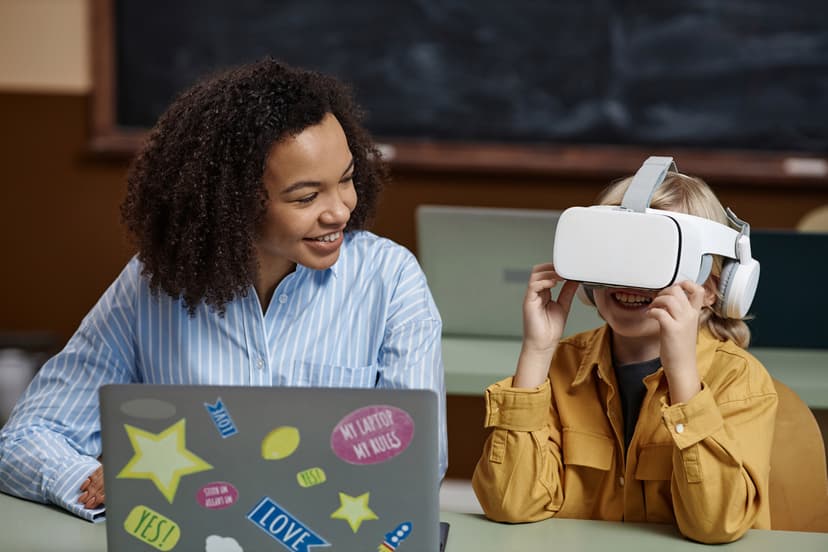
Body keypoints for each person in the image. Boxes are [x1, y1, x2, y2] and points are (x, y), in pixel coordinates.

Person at [0, 58, 447, 520]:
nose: (340, 211)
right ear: (232, 201)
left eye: (348, 178)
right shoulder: (151, 283)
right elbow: (25, 438)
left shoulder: (391, 280)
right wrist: (88, 481)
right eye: (306, 197)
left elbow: (418, 463)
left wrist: (196, 474)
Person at [471, 171, 777, 544]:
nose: (629, 281)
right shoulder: (558, 367)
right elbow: (510, 504)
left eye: (656, 258)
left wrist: (682, 373)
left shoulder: (739, 380)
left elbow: (714, 524)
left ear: (713, 288)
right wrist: (536, 352)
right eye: (613, 255)